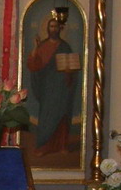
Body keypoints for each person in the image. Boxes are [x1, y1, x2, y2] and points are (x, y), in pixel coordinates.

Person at [26, 9, 80, 157]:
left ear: (60, 29)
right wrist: (36, 48)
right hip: (48, 88)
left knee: (62, 115)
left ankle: (62, 145)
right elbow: (33, 65)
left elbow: (72, 67)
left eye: (56, 26)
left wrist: (70, 71)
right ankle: (44, 145)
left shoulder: (65, 46)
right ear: (47, 29)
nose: (54, 29)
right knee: (47, 115)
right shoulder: (42, 46)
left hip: (62, 88)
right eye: (51, 26)